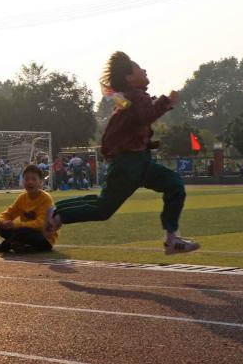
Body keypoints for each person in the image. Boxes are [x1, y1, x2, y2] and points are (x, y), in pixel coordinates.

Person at [45, 51, 200, 255]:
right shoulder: (136, 95)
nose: (144, 70)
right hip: (130, 164)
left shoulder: (129, 98)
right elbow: (146, 116)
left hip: (138, 162)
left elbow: (131, 129)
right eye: (138, 68)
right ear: (129, 77)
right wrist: (167, 101)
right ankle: (57, 215)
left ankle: (172, 238)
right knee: (103, 209)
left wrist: (150, 144)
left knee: (173, 185)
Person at [0, 164, 57, 253]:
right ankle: (23, 246)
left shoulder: (46, 199)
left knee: (23, 231)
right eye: (27, 179)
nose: (30, 182)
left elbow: (41, 224)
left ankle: (3, 246)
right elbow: (9, 213)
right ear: (23, 181)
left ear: (41, 182)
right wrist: (1, 221)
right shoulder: (22, 197)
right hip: (25, 232)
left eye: (34, 179)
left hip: (45, 238)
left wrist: (16, 225)